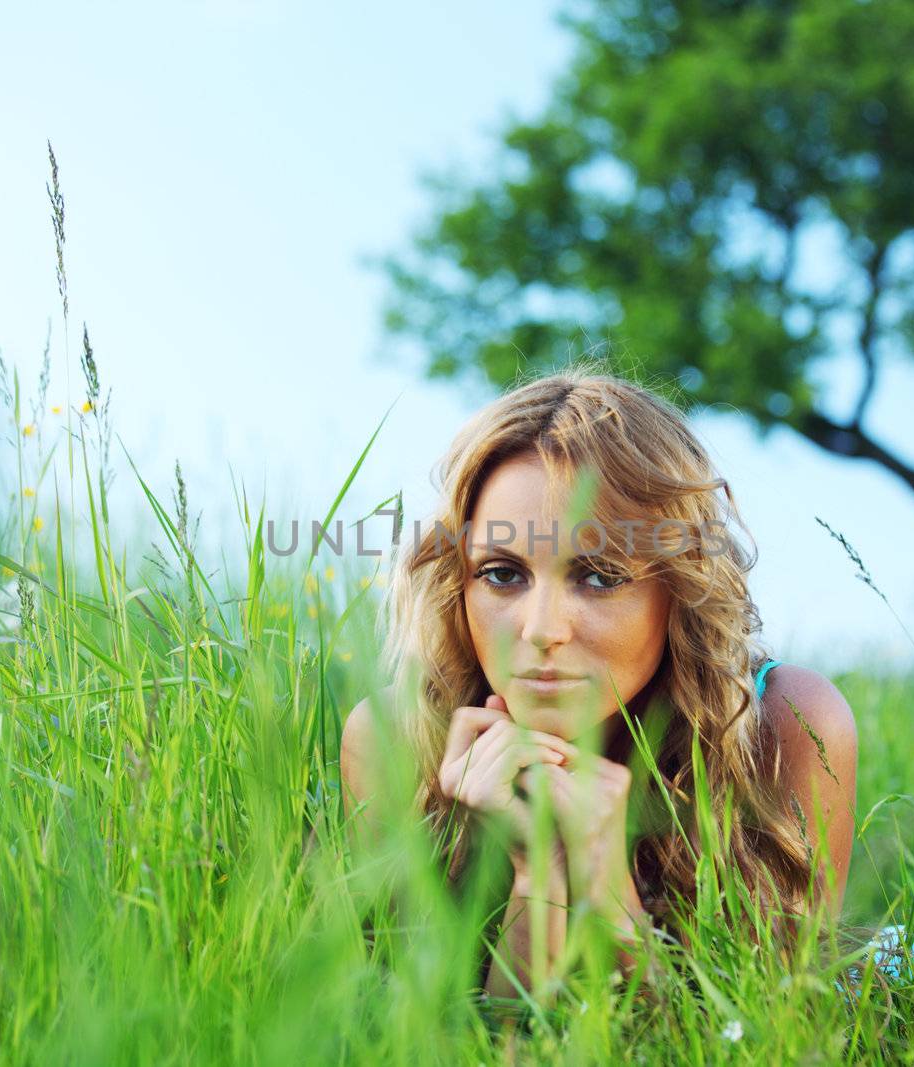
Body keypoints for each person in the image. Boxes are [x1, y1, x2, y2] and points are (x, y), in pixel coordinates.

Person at [340, 366, 858, 1001]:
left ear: (681, 588)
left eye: (599, 575)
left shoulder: (786, 724)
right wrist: (542, 872)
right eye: (503, 574)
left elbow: (767, 1043)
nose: (541, 630)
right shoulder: (396, 736)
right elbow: (482, 1041)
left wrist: (605, 885)